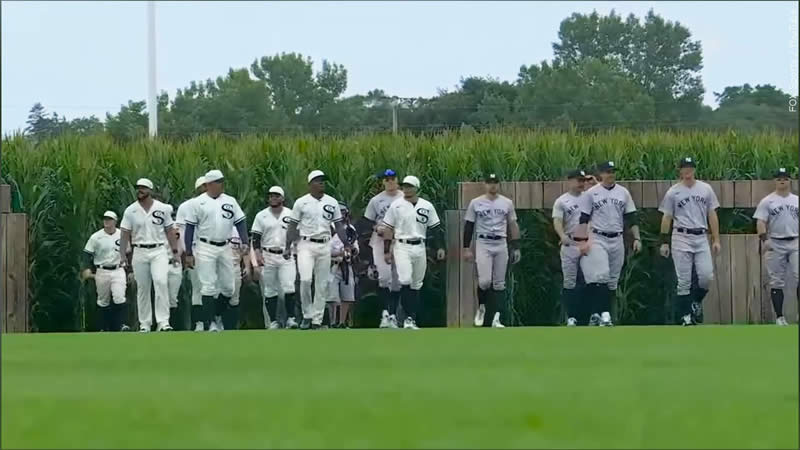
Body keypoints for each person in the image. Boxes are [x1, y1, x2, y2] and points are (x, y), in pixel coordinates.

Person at [574, 161, 642, 327]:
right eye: (607, 172)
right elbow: (583, 218)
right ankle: (604, 315)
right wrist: (582, 241)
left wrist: (637, 238)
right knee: (602, 274)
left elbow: (631, 217)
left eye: (613, 171)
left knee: (612, 281)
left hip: (617, 238)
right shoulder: (591, 193)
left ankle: (599, 313)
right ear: (601, 174)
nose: (611, 174)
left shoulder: (623, 192)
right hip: (598, 237)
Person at [183, 169, 249, 333]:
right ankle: (210, 322)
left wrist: (245, 241)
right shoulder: (197, 203)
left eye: (222, 182)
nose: (221, 185)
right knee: (208, 286)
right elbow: (189, 228)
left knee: (228, 288)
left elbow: (240, 221)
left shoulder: (230, 201)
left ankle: (215, 314)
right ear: (209, 185)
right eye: (218, 182)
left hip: (225, 246)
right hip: (205, 246)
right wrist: (189, 253)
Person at [658, 157, 721, 326]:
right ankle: (685, 316)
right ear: (680, 171)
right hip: (681, 235)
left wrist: (716, 239)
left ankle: (695, 301)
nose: (687, 171)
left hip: (700, 235)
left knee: (706, 276)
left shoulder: (705, 189)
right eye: (684, 168)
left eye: (690, 168)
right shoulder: (673, 192)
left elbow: (712, 214)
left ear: (694, 169)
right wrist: (664, 241)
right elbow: (667, 217)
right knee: (684, 280)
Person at [284, 170, 350, 330]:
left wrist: (346, 244)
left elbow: (339, 226)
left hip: (324, 244)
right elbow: (292, 226)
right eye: (318, 181)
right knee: (306, 280)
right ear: (310, 184)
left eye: (323, 181)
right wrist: (287, 246)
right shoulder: (301, 202)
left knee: (322, 284)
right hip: (305, 244)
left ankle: (317, 319)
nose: (322, 183)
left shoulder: (332, 202)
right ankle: (307, 314)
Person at [380, 175, 446, 330]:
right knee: (405, 279)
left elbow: (435, 228)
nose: (407, 189)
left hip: (420, 246)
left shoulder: (426, 206)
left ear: (416, 188)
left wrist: (440, 247)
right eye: (404, 186)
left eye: (410, 186)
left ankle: (410, 318)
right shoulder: (396, 205)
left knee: (416, 284)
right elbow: (388, 228)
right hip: (402, 245)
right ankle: (405, 317)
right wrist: (386, 251)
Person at [119, 178, 180, 332]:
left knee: (161, 282)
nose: (140, 190)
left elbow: (170, 231)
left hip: (159, 250)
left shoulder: (162, 208)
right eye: (138, 188)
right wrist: (122, 255)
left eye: (143, 188)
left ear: (150, 191)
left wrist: (174, 252)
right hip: (139, 250)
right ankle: (145, 323)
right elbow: (125, 233)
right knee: (143, 287)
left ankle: (163, 322)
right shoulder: (130, 210)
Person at [462, 173, 521, 328]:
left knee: (499, 283)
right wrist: (466, 248)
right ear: (485, 184)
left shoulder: (506, 203)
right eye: (489, 183)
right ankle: (481, 307)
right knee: (485, 281)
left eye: (495, 183)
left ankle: (497, 317)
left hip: (501, 242)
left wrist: (516, 247)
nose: (492, 186)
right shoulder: (476, 202)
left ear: (498, 184)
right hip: (483, 242)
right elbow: (469, 225)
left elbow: (513, 225)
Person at [358, 169, 403, 328]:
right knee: (384, 278)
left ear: (397, 180)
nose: (390, 182)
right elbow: (366, 221)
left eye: (392, 179)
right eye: (386, 179)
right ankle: (384, 313)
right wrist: (376, 227)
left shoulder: (404, 198)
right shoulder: (376, 200)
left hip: (400, 239)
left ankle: (392, 315)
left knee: (397, 281)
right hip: (380, 239)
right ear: (383, 182)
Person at [754, 167, 799, 326]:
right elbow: (760, 221)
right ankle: (780, 317)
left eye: (785, 178)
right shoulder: (768, 201)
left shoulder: (796, 200)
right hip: (775, 242)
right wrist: (764, 239)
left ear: (790, 181)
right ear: (775, 181)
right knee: (776, 281)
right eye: (779, 178)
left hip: (795, 241)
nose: (782, 181)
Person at [252, 186, 298, 329]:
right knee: (270, 290)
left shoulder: (291, 214)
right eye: (271, 196)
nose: (273, 198)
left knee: (289, 286)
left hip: (286, 255)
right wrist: (258, 254)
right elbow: (256, 237)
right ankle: (273, 321)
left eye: (276, 196)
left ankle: (291, 318)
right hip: (268, 255)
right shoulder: (261, 216)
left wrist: (295, 250)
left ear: (282, 198)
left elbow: (297, 234)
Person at [82, 210, 130, 331]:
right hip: (102, 270)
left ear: (115, 221)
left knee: (119, 296)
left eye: (109, 219)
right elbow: (87, 254)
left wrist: (130, 270)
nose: (106, 221)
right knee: (103, 300)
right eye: (105, 219)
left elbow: (129, 253)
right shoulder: (96, 237)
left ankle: (121, 325)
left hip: (118, 269)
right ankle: (102, 327)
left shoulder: (122, 235)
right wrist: (87, 268)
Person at [552, 170, 589, 326]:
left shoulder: (589, 198)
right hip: (570, 243)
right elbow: (557, 220)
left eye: (583, 180)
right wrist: (562, 236)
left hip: (588, 243)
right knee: (570, 282)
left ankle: (590, 316)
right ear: (569, 181)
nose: (581, 183)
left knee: (591, 280)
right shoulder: (562, 201)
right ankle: (572, 317)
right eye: (578, 180)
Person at [176, 176, 207, 331]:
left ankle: (215, 320)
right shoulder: (186, 206)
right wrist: (186, 253)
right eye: (203, 186)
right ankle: (199, 322)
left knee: (217, 287)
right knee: (198, 288)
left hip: (212, 248)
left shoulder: (218, 203)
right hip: (194, 249)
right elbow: (181, 232)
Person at [326, 202, 360, 328]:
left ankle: (342, 322)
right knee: (332, 296)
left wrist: (352, 251)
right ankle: (333, 322)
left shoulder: (351, 229)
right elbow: (324, 249)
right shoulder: (328, 228)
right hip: (331, 265)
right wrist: (337, 253)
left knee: (347, 296)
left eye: (343, 212)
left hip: (347, 265)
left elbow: (356, 247)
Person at [164, 204, 184, 329]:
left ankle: (174, 326)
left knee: (173, 298)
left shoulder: (178, 228)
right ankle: (162, 323)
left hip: (175, 264)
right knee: (162, 296)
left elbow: (180, 243)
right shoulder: (158, 227)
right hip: (161, 263)